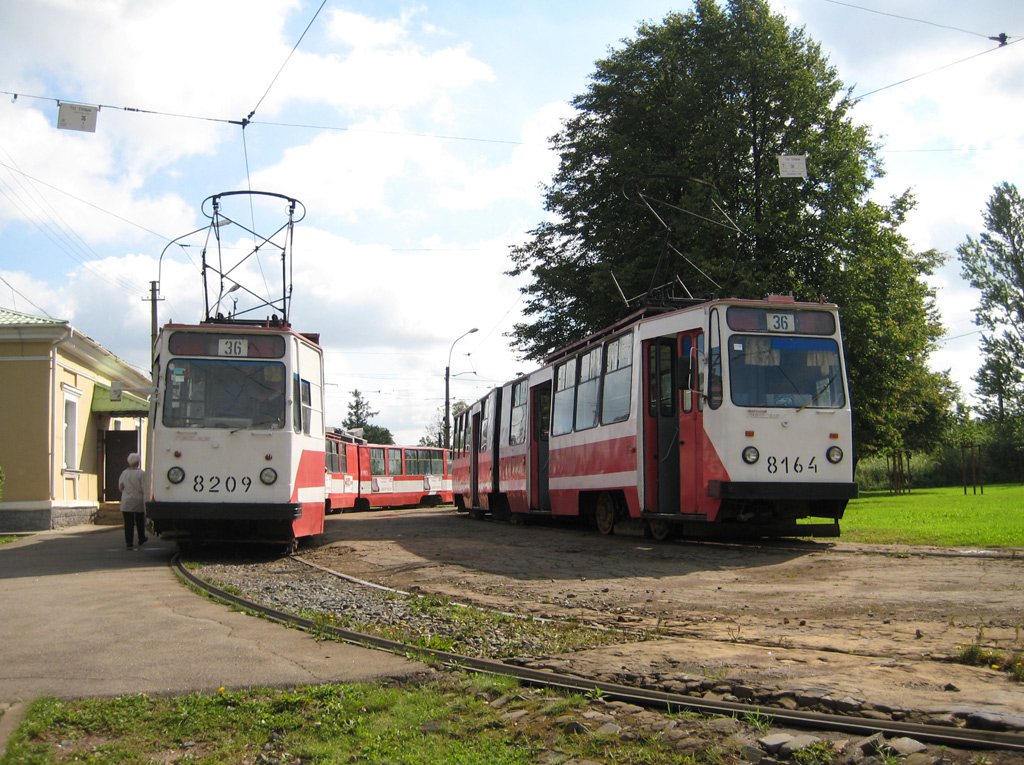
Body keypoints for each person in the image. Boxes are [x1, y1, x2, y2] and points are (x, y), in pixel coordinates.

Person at [118, 453, 148, 550]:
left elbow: (120, 486)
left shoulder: (124, 473)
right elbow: (144, 487)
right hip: (138, 500)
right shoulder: (141, 474)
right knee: (140, 521)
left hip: (126, 500)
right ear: (138, 462)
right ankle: (141, 538)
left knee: (128, 523)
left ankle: (129, 542)